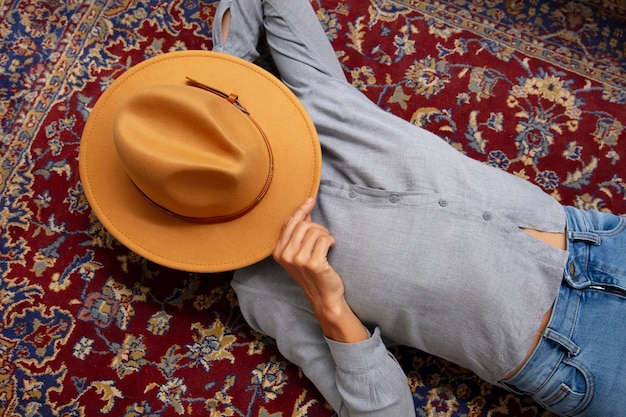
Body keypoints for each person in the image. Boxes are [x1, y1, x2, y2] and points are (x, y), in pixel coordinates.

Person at [211, 1, 626, 416]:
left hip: (605, 238)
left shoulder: (313, 108)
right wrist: (328, 304)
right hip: (575, 355)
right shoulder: (262, 286)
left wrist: (216, 96)